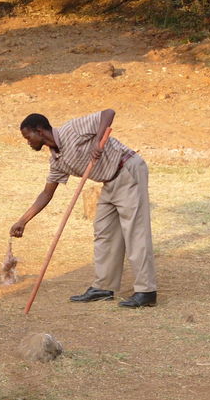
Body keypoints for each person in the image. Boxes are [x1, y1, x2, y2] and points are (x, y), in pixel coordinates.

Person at [9, 109, 157, 308]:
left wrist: (98, 141)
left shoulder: (72, 130)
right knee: (104, 232)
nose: (28, 142)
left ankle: (146, 291)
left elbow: (108, 113)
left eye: (28, 137)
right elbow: (46, 194)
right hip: (109, 181)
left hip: (127, 169)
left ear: (40, 130)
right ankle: (104, 287)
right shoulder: (56, 161)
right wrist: (23, 221)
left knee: (135, 233)